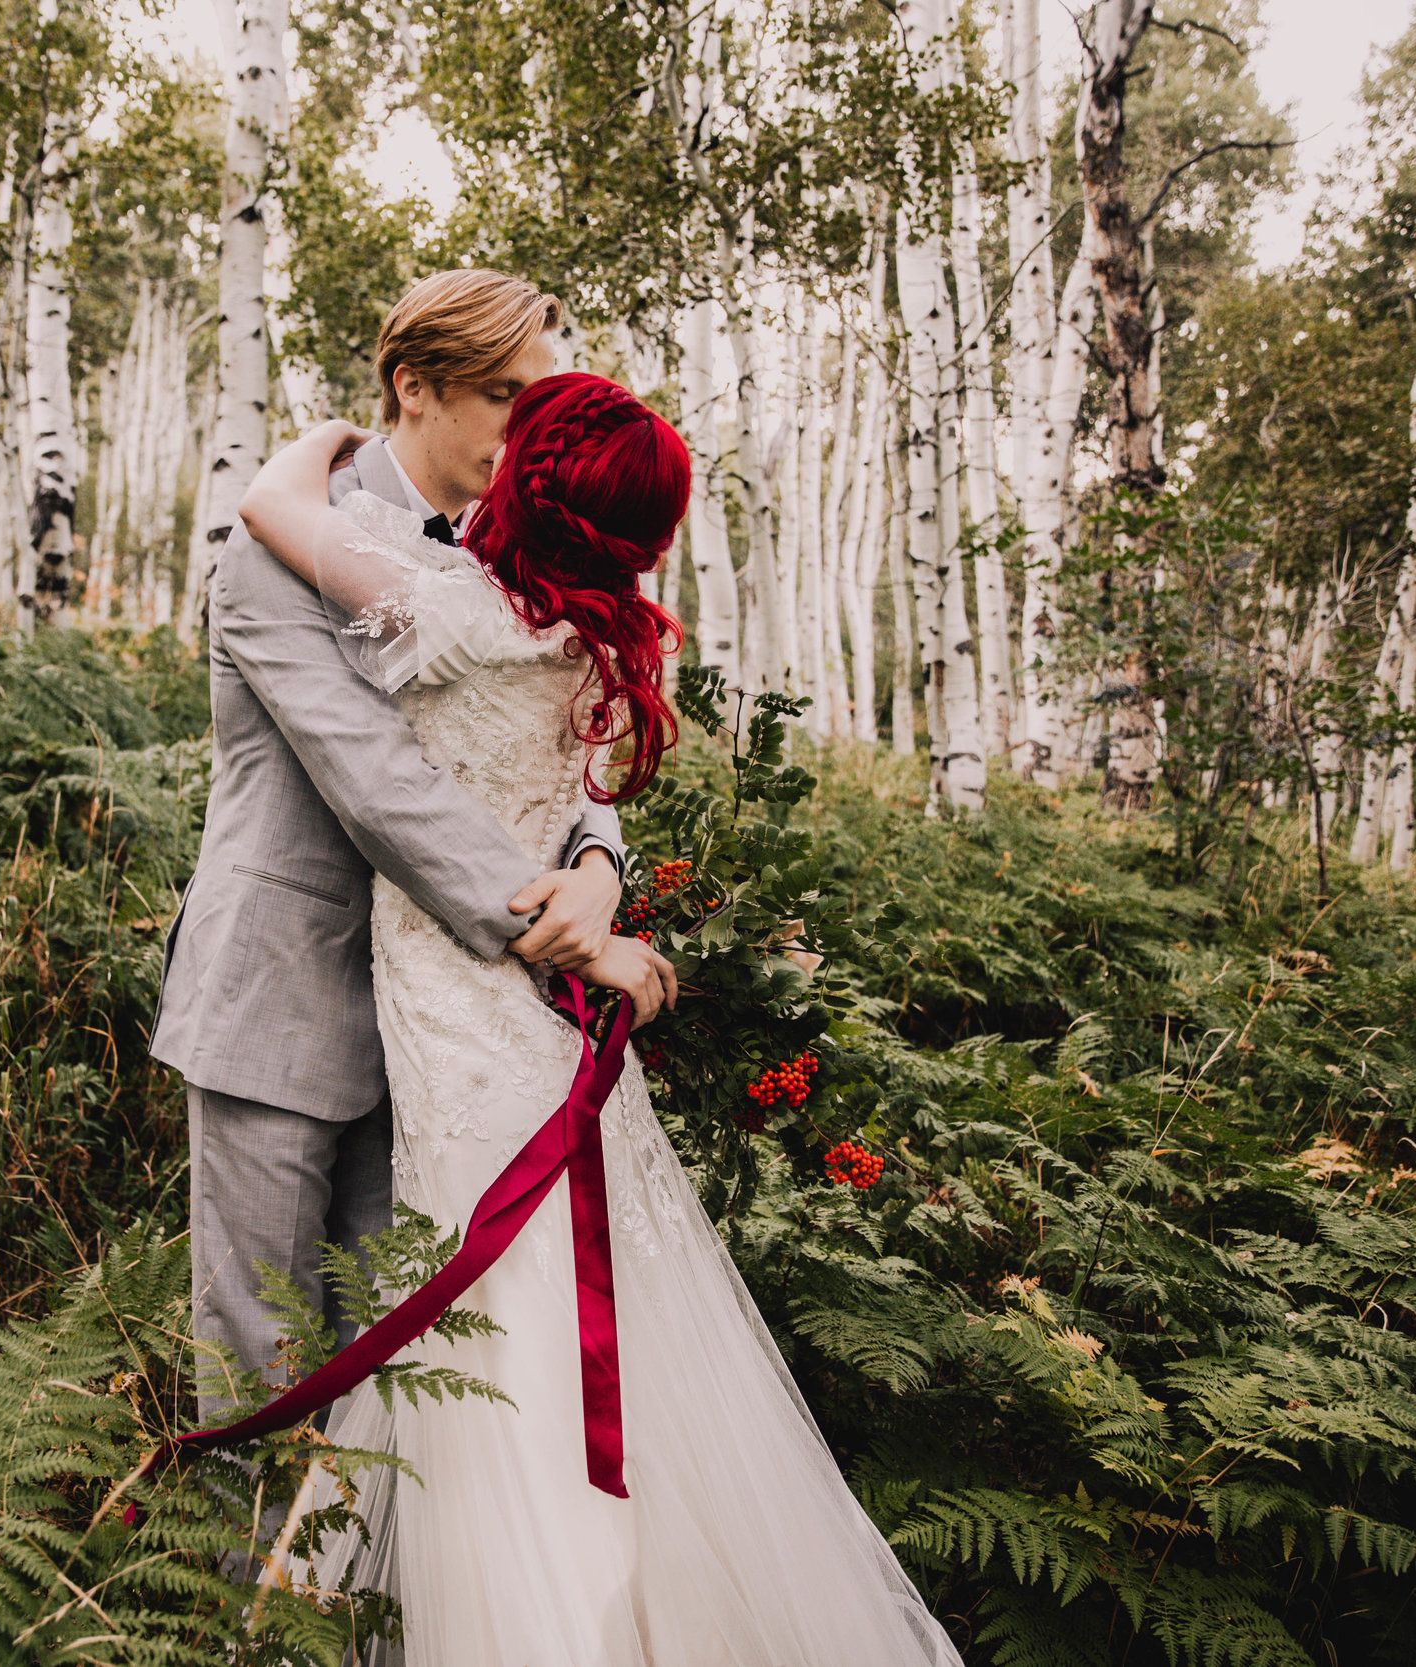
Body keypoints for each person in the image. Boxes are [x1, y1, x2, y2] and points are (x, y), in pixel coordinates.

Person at [235, 375, 964, 1666]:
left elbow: (272, 499)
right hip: (546, 1014)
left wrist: (334, 434)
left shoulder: (444, 607)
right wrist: (601, 886)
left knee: (494, 1336)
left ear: (526, 480)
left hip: (463, 1001)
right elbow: (582, 797)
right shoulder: (598, 639)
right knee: (578, 1313)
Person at [150, 270, 657, 1420]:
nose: (525, 430)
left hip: (444, 1022)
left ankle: (368, 1609)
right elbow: (374, 775)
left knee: (407, 1377)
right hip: (281, 998)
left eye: (542, 400)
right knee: (262, 1369)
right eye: (500, 397)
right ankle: (242, 1606)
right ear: (411, 387)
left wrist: (594, 865)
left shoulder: (517, 545)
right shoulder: (273, 549)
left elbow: (561, 738)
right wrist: (559, 939)